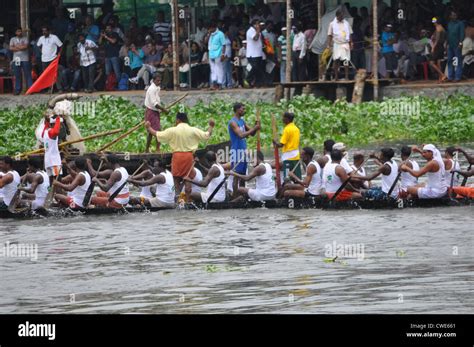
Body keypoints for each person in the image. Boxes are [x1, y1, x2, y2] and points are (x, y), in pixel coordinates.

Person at [145, 112, 215, 202]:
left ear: (178, 120)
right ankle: (188, 201)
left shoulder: (173, 130)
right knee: (188, 179)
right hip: (188, 157)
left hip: (177, 157)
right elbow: (207, 135)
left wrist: (148, 127)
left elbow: (157, 134)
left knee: (176, 181)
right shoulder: (192, 130)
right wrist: (211, 126)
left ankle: (177, 200)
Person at [228, 103, 260, 195]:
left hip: (244, 152)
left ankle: (242, 195)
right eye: (242, 109)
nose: (244, 111)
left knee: (243, 176)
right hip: (236, 152)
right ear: (237, 110)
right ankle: (234, 196)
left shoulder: (242, 121)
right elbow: (241, 135)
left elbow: (252, 133)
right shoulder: (233, 122)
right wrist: (254, 128)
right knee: (236, 176)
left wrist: (255, 127)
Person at [144, 73, 169, 153]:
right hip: (151, 111)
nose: (159, 82)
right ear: (153, 80)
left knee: (151, 132)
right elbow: (154, 103)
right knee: (157, 131)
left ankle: (147, 149)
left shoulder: (157, 88)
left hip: (154, 111)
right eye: (157, 81)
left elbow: (157, 101)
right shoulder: (152, 89)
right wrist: (163, 109)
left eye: (160, 81)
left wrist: (160, 109)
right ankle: (157, 149)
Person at [273, 112, 301, 179]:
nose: (282, 119)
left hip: (288, 157)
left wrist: (275, 143)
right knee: (297, 177)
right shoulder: (296, 128)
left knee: (287, 178)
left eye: (283, 118)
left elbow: (281, 144)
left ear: (287, 119)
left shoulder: (287, 129)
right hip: (296, 156)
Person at [327, 9, 353, 80]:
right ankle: (336, 76)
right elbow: (329, 35)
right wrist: (329, 44)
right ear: (337, 16)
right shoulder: (332, 24)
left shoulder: (346, 23)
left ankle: (346, 76)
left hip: (345, 43)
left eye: (343, 16)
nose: (342, 17)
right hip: (337, 44)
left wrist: (351, 43)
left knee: (346, 60)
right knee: (336, 60)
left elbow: (350, 33)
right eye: (341, 16)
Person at [9, 27, 33, 95]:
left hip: (25, 59)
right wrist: (20, 47)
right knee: (17, 75)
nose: (19, 32)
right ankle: (17, 90)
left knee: (28, 74)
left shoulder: (25, 38)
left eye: (20, 31)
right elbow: (10, 48)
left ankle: (30, 89)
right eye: (18, 31)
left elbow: (25, 47)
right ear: (15, 33)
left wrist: (16, 47)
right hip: (16, 59)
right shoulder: (12, 39)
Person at [41, 115, 62, 179]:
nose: (60, 126)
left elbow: (46, 126)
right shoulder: (51, 132)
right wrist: (58, 119)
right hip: (54, 162)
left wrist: (47, 121)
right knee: (57, 180)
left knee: (50, 181)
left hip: (47, 161)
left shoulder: (45, 132)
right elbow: (56, 131)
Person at [446, 10, 465, 82]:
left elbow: (462, 34)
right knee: (449, 61)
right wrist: (446, 44)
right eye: (453, 15)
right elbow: (448, 34)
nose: (454, 16)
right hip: (450, 44)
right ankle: (450, 77)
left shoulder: (460, 23)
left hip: (457, 45)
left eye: (455, 15)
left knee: (458, 61)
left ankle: (457, 77)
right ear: (450, 16)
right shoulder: (449, 24)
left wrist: (460, 43)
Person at [246, 19, 264, 87]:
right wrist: (258, 30)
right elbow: (255, 38)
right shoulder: (250, 31)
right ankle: (248, 79)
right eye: (257, 24)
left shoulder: (258, 31)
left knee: (258, 69)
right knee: (254, 67)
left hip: (258, 53)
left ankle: (257, 83)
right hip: (252, 54)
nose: (259, 25)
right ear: (254, 25)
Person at [208, 22, 226, 90]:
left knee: (219, 69)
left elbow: (223, 45)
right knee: (213, 70)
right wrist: (209, 35)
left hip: (218, 54)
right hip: (211, 54)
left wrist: (223, 54)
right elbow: (206, 42)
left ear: (214, 28)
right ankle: (214, 84)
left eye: (210, 28)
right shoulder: (211, 35)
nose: (209, 30)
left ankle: (220, 84)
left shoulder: (220, 34)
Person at [429, 17, 447, 83]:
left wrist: (433, 47)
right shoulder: (443, 28)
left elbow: (437, 39)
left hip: (438, 47)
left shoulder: (438, 27)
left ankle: (443, 75)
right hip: (441, 47)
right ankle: (440, 79)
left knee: (431, 63)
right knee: (438, 63)